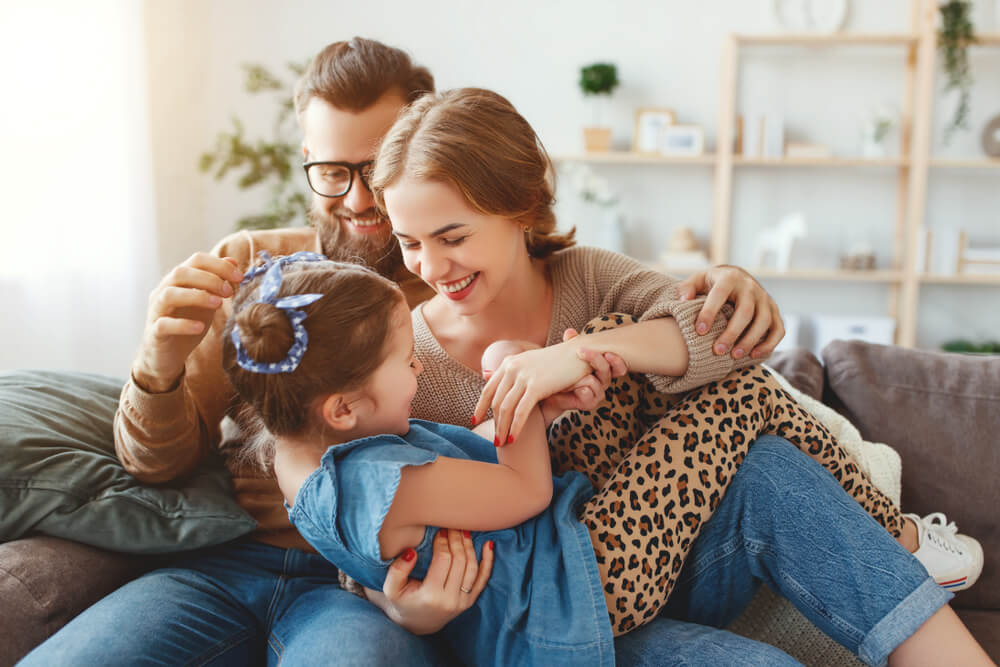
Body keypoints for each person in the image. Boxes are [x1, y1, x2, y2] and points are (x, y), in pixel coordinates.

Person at [20, 38, 792, 665]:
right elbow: (157, 461)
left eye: (374, 168)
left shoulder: (459, 287)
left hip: (355, 583)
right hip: (228, 556)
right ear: (306, 161)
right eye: (332, 170)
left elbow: (503, 453)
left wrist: (724, 280)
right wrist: (157, 363)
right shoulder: (264, 276)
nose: (358, 199)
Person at [366, 86, 989, 664]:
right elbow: (362, 500)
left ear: (521, 209)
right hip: (557, 609)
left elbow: (721, 342)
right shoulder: (407, 358)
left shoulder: (584, 275)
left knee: (762, 459)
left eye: (452, 236)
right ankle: (902, 540)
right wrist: (400, 607)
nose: (431, 266)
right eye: (409, 242)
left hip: (672, 555)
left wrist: (578, 353)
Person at [221, 252, 991, 667]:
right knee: (738, 402)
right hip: (578, 588)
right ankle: (904, 542)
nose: (419, 370)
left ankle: (911, 585)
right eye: (403, 362)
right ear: (343, 407)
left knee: (758, 462)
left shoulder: (320, 465)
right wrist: (510, 371)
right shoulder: (371, 480)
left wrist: (554, 380)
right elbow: (521, 492)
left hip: (570, 575)